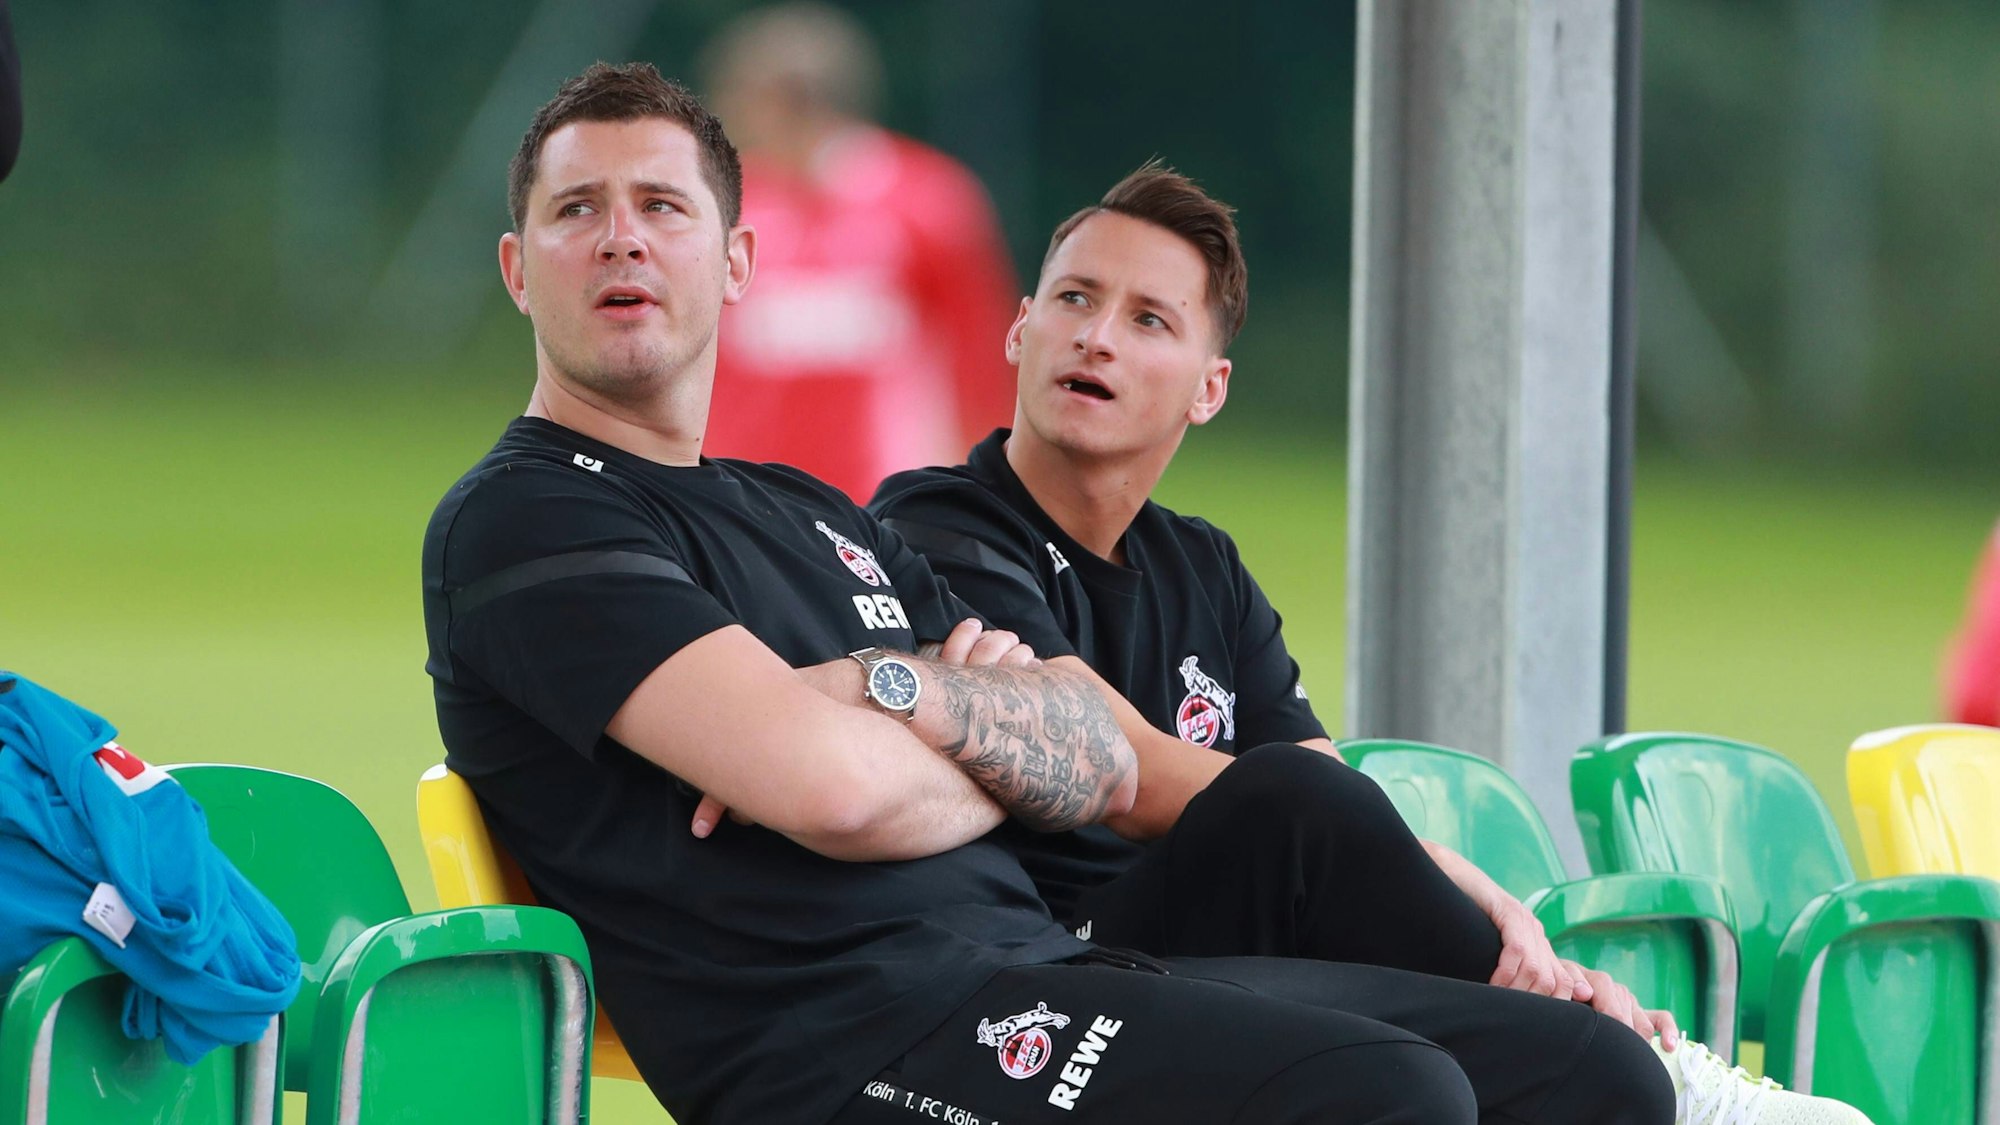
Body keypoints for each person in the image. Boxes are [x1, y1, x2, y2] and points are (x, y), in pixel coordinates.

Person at [423, 62, 1674, 1125]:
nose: (621, 236)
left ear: (739, 259)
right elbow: (838, 789)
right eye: (575, 210)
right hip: (853, 1045)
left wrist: (882, 685)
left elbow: (1095, 761)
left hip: (1041, 966)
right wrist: (969, 730)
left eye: (660, 206)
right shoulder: (530, 513)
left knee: (1590, 1074)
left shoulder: (808, 510)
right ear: (518, 268)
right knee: (1390, 1093)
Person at [871, 163, 1876, 1125]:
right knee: (1279, 798)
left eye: (1147, 320)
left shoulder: (1202, 566)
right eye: (1073, 300)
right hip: (1047, 972)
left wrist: (1452, 878)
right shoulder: (937, 526)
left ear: (1207, 388)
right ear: (1018, 329)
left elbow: (1329, 798)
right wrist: (1465, 897)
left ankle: (1624, 1050)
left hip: (1221, 964)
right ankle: (1627, 1047)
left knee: (1591, 1073)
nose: (1095, 338)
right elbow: (1115, 761)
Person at [696, 2, 1020, 500]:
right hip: (746, 507)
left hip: (885, 512)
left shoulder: (925, 202)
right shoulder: (721, 206)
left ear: (784, 100)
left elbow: (982, 367)